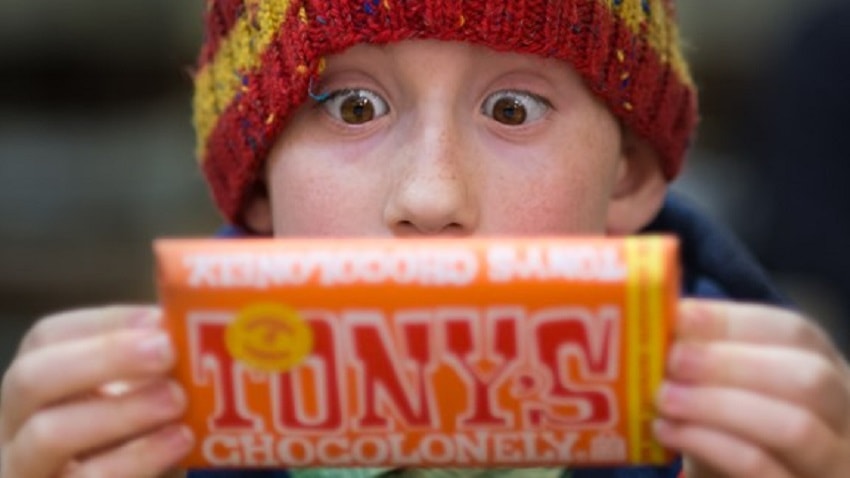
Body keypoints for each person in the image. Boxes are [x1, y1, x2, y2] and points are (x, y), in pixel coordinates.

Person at [1, 1, 848, 477]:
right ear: (259, 186)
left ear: (624, 178)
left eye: (512, 108)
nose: (431, 197)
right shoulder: (139, 452)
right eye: (354, 106)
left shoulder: (745, 454)